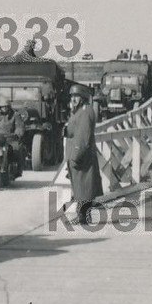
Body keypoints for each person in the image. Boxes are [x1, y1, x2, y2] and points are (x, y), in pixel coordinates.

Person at [64, 83, 103, 225]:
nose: (73, 99)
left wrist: (75, 156)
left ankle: (84, 216)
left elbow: (83, 137)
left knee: (84, 189)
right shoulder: (80, 111)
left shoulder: (85, 112)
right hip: (77, 155)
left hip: (81, 156)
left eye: (77, 96)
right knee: (80, 188)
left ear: (83, 98)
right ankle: (82, 216)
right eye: (72, 96)